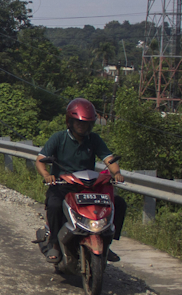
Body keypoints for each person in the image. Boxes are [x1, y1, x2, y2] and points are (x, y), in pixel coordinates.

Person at [35, 98, 126, 263]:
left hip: (87, 186)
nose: (81, 126)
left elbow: (109, 159)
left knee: (118, 204)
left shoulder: (94, 139)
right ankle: (54, 243)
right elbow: (40, 159)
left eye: (85, 123)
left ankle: (106, 242)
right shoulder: (59, 138)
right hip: (63, 185)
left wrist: (117, 173)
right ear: (70, 121)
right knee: (55, 205)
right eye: (78, 122)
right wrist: (47, 176)